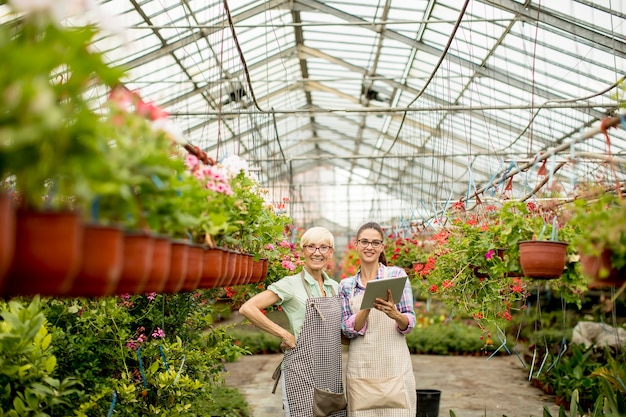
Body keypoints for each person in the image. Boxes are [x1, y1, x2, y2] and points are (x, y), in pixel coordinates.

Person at [239, 227, 347, 417]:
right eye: (311, 246)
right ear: (303, 250)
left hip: (330, 373)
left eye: (323, 247)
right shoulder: (290, 284)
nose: (317, 252)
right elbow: (248, 308)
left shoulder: (336, 288)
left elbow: (340, 334)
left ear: (330, 252)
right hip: (300, 373)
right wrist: (284, 334)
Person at [339, 222, 416, 416]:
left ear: (382, 247)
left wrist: (395, 314)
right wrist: (367, 306)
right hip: (362, 367)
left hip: (394, 363)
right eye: (364, 242)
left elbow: (410, 320)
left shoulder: (396, 275)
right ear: (356, 245)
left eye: (375, 243)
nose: (369, 247)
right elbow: (347, 330)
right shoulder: (346, 286)